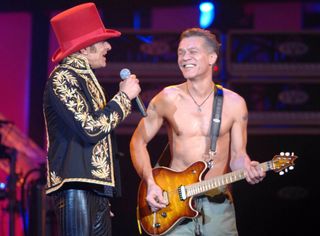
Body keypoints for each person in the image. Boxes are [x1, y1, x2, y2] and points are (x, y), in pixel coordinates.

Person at [130, 28, 266, 236]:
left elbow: (238, 155)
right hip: (173, 203)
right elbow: (138, 142)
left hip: (218, 205)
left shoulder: (235, 103)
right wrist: (150, 183)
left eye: (192, 52)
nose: (185, 58)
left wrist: (248, 167)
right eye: (180, 53)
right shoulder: (167, 98)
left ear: (212, 58)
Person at [43, 3, 141, 236]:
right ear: (84, 49)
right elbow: (91, 128)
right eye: (102, 42)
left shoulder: (84, 79)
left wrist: (101, 192)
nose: (108, 46)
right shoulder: (63, 77)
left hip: (93, 187)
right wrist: (124, 98)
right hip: (75, 186)